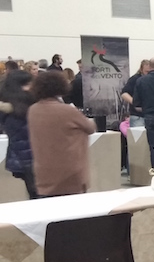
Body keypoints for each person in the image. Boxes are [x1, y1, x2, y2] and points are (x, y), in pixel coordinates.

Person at [27, 71, 96, 196]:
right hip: (69, 171)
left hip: (43, 170)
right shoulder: (67, 110)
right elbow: (91, 128)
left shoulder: (33, 110)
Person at [0, 70, 37, 198]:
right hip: (31, 157)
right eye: (28, 84)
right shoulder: (23, 109)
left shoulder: (8, 108)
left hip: (21, 157)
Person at [121, 59, 151, 127]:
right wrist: (135, 102)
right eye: (146, 72)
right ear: (141, 69)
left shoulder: (152, 80)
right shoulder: (134, 79)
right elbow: (124, 94)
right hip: (138, 116)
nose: (148, 74)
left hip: (151, 116)